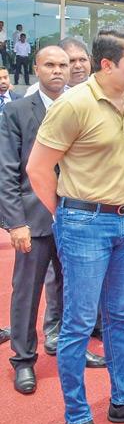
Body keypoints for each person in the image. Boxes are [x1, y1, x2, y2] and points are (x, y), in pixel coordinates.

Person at [26, 27, 124, 424]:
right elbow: (37, 169)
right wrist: (66, 216)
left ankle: (123, 399)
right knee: (78, 323)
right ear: (107, 65)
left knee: (121, 317)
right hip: (84, 223)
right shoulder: (73, 105)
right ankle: (77, 419)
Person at [0, 46, 102, 395]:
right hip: (33, 220)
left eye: (64, 64)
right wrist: (15, 223)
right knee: (27, 293)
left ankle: (74, 349)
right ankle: (23, 361)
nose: (59, 70)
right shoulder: (16, 111)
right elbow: (8, 171)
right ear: (36, 68)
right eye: (51, 65)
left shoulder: (82, 106)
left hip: (78, 217)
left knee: (75, 292)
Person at [26, 37, 92, 96]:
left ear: (89, 60)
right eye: (71, 61)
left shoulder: (99, 86)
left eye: (82, 60)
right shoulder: (37, 91)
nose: (78, 66)